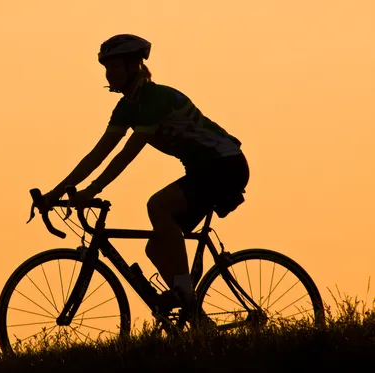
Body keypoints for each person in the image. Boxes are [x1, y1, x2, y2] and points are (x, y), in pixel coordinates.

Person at [42, 34, 250, 310]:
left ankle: (185, 295)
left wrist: (91, 191)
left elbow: (126, 154)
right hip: (204, 170)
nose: (108, 74)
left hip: (225, 165)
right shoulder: (127, 107)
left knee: (158, 206)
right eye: (106, 68)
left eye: (115, 67)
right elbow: (97, 154)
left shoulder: (156, 98)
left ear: (133, 67)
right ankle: (196, 317)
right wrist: (54, 194)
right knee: (156, 247)